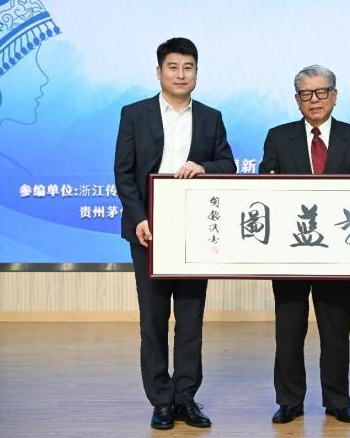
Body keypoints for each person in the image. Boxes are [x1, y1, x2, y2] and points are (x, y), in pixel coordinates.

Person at [114, 37, 236, 430]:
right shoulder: (135, 114)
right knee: (153, 320)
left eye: (188, 67)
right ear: (159, 72)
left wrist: (204, 167)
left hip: (194, 231)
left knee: (190, 319)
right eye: (173, 67)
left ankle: (186, 398)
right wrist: (138, 218)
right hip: (148, 230)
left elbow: (228, 165)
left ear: (196, 73)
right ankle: (161, 400)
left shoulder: (211, 117)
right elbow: (124, 173)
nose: (181, 74)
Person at [259, 64, 350, 424]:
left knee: (336, 331)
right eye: (306, 94)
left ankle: (337, 401)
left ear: (334, 96)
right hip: (290, 252)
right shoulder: (278, 137)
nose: (314, 100)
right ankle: (289, 401)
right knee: (288, 331)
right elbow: (264, 184)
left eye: (321, 92)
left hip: (338, 254)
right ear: (297, 100)